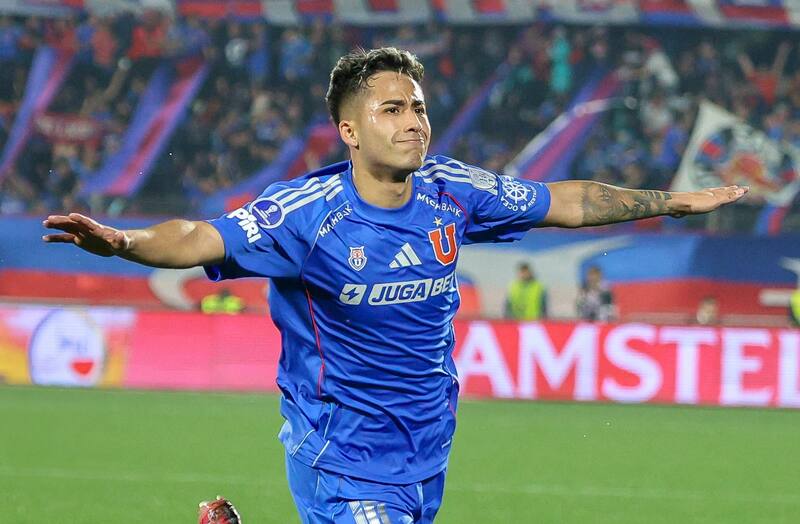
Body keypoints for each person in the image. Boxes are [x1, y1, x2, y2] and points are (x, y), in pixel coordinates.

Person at [43, 47, 748, 523]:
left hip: (426, 452)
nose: (413, 122)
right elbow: (200, 238)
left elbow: (564, 201)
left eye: (417, 107)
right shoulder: (307, 216)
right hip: (339, 458)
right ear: (348, 129)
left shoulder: (452, 191)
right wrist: (124, 242)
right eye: (392, 110)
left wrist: (670, 201)